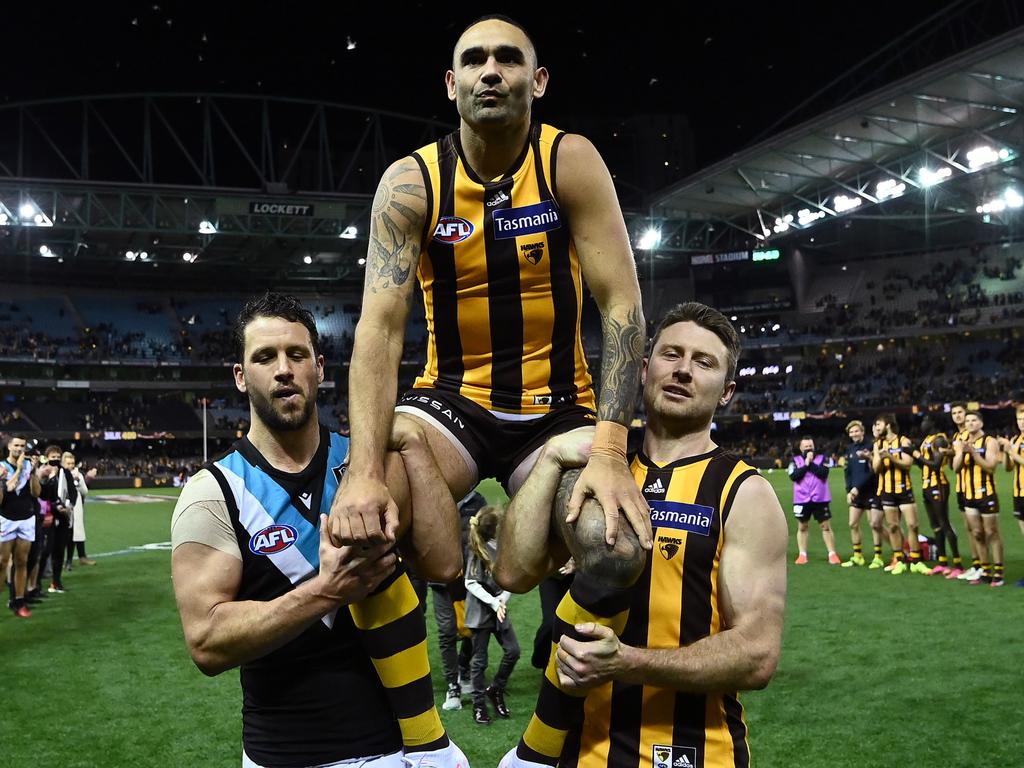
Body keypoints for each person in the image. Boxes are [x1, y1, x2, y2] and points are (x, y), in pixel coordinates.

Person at [330, 14, 650, 611]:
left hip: (558, 406)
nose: (491, 72)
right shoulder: (413, 181)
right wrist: (366, 467)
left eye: (508, 59)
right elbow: (378, 330)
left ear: (540, 80)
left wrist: (609, 450)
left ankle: (566, 691)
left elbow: (621, 306)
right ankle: (412, 706)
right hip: (451, 402)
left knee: (617, 548)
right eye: (475, 60)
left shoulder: (568, 160)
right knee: (359, 528)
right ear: (451, 84)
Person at [170, 293, 466, 768]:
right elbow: (206, 642)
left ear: (320, 368)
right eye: (265, 357)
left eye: (297, 354)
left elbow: (446, 564)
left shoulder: (369, 467)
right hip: (286, 755)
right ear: (241, 378)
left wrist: (410, 442)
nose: (283, 369)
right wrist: (325, 593)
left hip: (400, 750)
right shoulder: (213, 492)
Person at [494, 303, 787, 768]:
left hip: (690, 752)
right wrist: (551, 458)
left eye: (704, 362)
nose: (684, 371)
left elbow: (757, 654)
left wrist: (628, 663)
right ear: (644, 369)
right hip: (577, 752)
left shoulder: (744, 492)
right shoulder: (591, 468)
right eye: (672, 354)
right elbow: (512, 571)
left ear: (727, 392)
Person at [464, 505, 520, 725]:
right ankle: (478, 705)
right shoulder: (478, 550)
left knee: (513, 651)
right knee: (480, 661)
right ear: (493, 530)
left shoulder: (505, 549)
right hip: (481, 612)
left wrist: (501, 602)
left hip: (499, 609)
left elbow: (511, 579)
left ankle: (496, 689)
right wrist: (494, 603)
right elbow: (470, 582)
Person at [871, 414, 930, 575]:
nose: (876, 427)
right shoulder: (878, 444)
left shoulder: (903, 441)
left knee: (913, 525)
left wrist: (890, 456)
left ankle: (916, 560)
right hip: (887, 491)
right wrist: (881, 458)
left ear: (888, 424)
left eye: (879, 424)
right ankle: (900, 560)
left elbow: (907, 464)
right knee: (893, 526)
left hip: (904, 490)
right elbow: (876, 468)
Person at [952, 411, 1003, 586]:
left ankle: (999, 573)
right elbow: (955, 468)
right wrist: (960, 452)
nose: (970, 423)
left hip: (986, 493)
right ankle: (985, 571)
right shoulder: (962, 442)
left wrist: (974, 453)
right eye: (968, 421)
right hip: (969, 495)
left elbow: (990, 468)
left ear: (981, 423)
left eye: (974, 420)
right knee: (977, 533)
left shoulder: (990, 442)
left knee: (991, 533)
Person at [0, 435, 43, 617]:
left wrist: (33, 472)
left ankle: (19, 602)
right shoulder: (1, 467)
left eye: (22, 446)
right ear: (9, 446)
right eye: (16, 445)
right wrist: (17, 470)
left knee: (22, 562)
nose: (19, 449)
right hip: (6, 518)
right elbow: (7, 491)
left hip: (26, 518)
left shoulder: (28, 465)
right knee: (2, 563)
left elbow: (36, 492)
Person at [914, 416, 961, 576]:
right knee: (935, 525)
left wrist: (916, 455)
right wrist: (914, 457)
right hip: (927, 485)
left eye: (925, 421)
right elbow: (923, 465)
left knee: (944, 522)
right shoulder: (926, 440)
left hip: (938, 484)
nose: (922, 424)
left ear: (933, 423)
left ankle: (958, 564)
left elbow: (935, 465)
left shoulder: (940, 440)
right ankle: (942, 562)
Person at [840, 420, 885, 568]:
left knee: (875, 525)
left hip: (871, 490)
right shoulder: (850, 449)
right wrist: (849, 490)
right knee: (852, 523)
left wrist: (857, 488)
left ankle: (878, 557)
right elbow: (848, 472)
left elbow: (873, 472)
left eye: (856, 431)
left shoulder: (871, 446)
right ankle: (857, 555)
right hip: (855, 493)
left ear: (862, 431)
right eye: (851, 432)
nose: (854, 434)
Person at [789, 436, 840, 565]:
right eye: (805, 446)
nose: (808, 448)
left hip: (820, 498)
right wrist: (806, 464)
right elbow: (794, 476)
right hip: (801, 499)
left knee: (825, 526)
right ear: (800, 448)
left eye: (810, 446)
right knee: (802, 526)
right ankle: (802, 555)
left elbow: (823, 473)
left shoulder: (822, 458)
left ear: (814, 446)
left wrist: (810, 463)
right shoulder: (794, 460)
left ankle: (832, 554)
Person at [947, 402, 984, 581]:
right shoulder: (956, 436)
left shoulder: (974, 436)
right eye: (954, 413)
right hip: (961, 487)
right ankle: (976, 564)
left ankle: (984, 565)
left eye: (960, 412)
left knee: (979, 529)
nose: (957, 416)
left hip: (978, 488)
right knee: (969, 528)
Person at [996, 404, 1024, 587]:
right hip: (1019, 493)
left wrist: (1011, 450)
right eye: (1020, 419)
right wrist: (1006, 453)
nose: (1022, 423)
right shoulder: (1016, 439)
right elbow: (1008, 468)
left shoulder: (1015, 444)